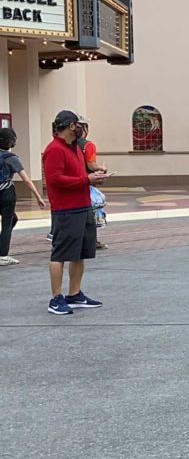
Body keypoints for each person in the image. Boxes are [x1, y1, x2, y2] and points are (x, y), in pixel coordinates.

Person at [42, 110, 109, 315]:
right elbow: (55, 180)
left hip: (82, 207)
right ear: (71, 126)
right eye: (80, 125)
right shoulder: (54, 149)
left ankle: (75, 294)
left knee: (80, 253)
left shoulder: (76, 148)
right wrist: (86, 180)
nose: (82, 129)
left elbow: (79, 175)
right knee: (60, 254)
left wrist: (92, 176)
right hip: (66, 210)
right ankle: (56, 299)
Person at [0, 127, 48, 266]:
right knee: (7, 224)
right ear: (11, 142)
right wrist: (38, 196)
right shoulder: (11, 158)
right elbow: (26, 179)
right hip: (6, 194)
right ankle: (3, 255)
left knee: (13, 219)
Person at [74, 117, 110, 249]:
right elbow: (91, 165)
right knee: (91, 211)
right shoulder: (89, 145)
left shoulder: (69, 145)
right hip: (86, 180)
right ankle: (91, 241)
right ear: (85, 129)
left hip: (73, 181)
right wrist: (102, 168)